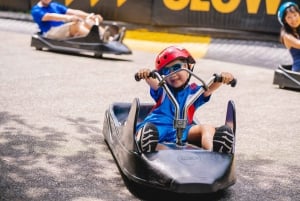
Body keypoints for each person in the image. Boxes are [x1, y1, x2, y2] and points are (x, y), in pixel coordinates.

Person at [135, 46, 235, 153]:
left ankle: (214, 151)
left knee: (207, 128)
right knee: (147, 131)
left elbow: (209, 88)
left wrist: (222, 79)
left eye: (177, 67)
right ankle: (142, 142)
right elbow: (153, 80)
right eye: (166, 70)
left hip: (183, 131)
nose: (171, 74)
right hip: (157, 127)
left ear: (188, 68)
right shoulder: (163, 88)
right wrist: (146, 74)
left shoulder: (194, 92)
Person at [31, 0, 124, 41]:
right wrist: (68, 18)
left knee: (87, 21)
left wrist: (91, 16)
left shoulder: (54, 5)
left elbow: (73, 11)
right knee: (76, 25)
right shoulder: (36, 10)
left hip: (61, 30)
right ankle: (98, 39)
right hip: (51, 32)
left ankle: (110, 38)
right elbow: (50, 16)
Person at [278, 1, 300, 72]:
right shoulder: (287, 36)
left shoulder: (297, 31)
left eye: (295, 15)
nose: (293, 19)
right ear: (285, 21)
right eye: (289, 17)